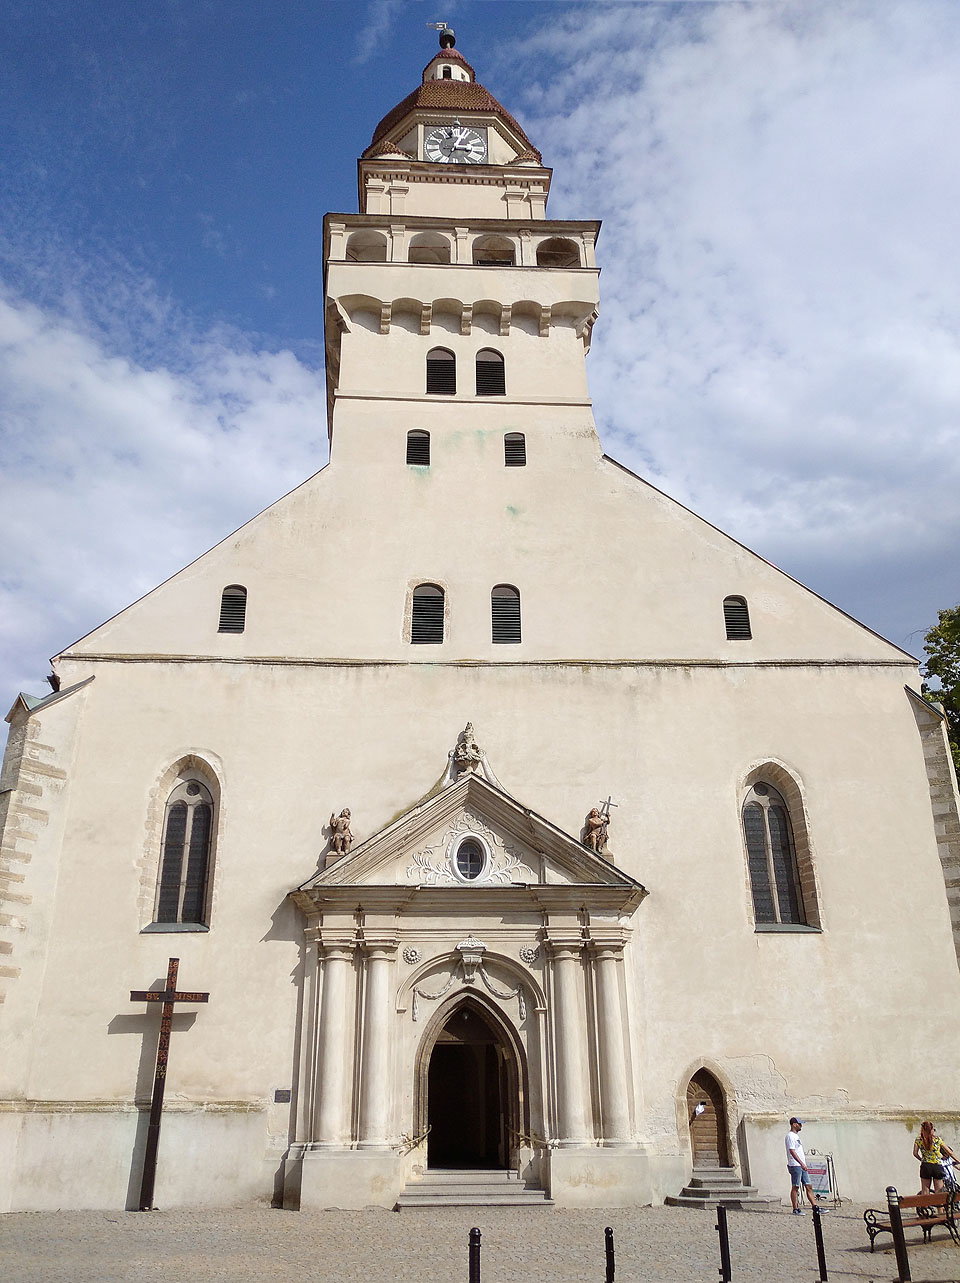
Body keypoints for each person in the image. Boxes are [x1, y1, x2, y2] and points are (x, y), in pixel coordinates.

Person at [913, 1120, 958, 1194]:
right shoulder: (937, 1139)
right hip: (937, 1166)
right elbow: (949, 1152)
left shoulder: (918, 1140)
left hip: (925, 1166)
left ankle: (925, 1205)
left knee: (925, 1190)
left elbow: (915, 1153)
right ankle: (940, 1205)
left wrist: (922, 1159)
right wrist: (958, 1160)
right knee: (939, 1191)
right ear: (931, 1130)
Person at [785, 1117, 818, 1214]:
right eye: (799, 1124)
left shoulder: (796, 1136)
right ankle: (795, 1208)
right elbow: (792, 1151)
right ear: (794, 1124)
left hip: (801, 1165)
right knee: (795, 1186)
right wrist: (801, 1163)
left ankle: (815, 1206)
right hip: (795, 1165)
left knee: (808, 1186)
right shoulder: (790, 1136)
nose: (801, 1126)